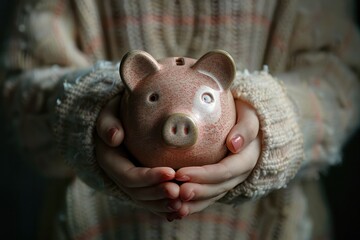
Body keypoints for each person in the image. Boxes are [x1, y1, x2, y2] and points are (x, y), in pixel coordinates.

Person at [1, 0, 359, 239]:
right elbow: (18, 99)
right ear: (135, 74)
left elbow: (343, 80)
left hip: (272, 227)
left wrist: (277, 122)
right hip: (95, 226)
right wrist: (83, 111)